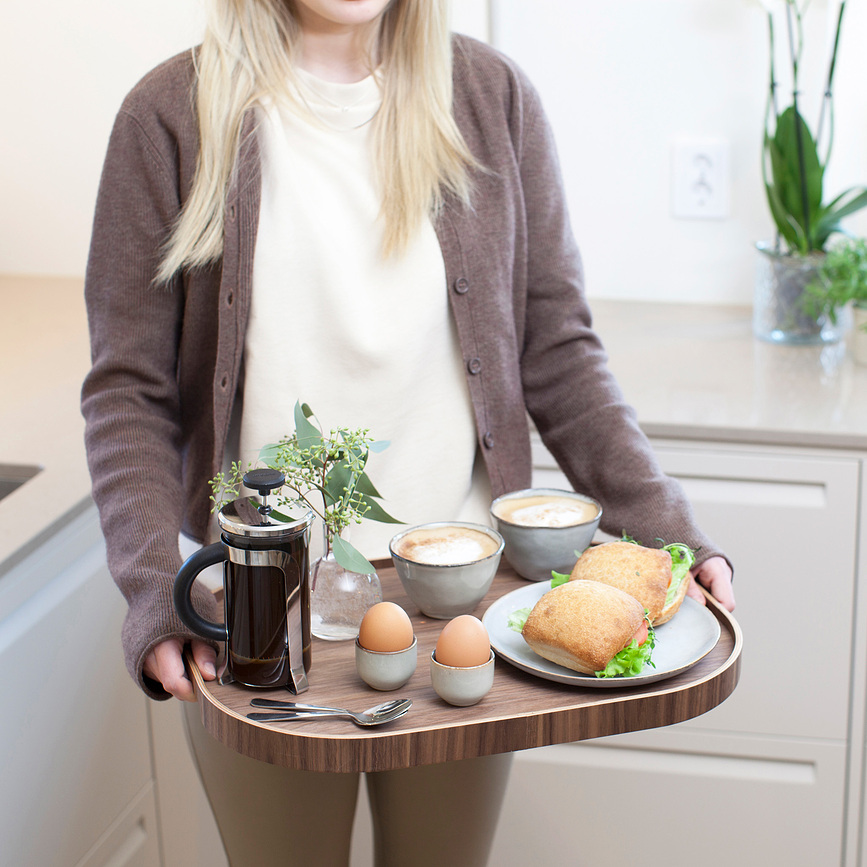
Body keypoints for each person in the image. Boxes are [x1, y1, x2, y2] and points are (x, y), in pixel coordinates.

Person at [81, 1, 735, 865]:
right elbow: (128, 390)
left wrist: (665, 528)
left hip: (458, 603)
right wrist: (150, 589)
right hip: (259, 615)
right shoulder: (168, 116)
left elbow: (558, 351)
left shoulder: (492, 99)